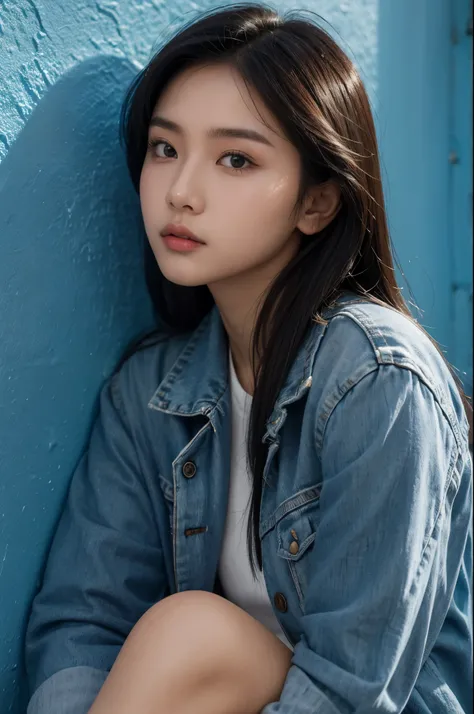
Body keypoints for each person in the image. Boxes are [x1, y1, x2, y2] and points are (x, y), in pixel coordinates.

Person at [24, 4, 473, 713]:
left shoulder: (379, 378)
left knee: (189, 633)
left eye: (236, 159)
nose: (181, 192)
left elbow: (355, 687)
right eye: (165, 148)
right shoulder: (148, 392)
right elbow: (82, 622)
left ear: (317, 203)